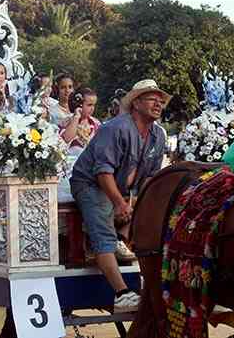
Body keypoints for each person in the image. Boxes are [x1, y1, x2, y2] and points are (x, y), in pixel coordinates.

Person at [69, 79, 170, 313]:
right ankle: (122, 294)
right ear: (136, 103)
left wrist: (138, 206)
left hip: (125, 190)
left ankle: (149, 282)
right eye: (151, 98)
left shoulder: (158, 135)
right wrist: (119, 204)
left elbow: (149, 178)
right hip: (91, 183)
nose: (158, 104)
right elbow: (103, 172)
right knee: (103, 224)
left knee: (153, 222)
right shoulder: (116, 128)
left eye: (160, 100)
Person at [58, 88, 101, 203]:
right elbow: (66, 139)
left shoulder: (96, 124)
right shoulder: (67, 122)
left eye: (94, 105)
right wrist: (76, 117)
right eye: (89, 105)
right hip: (72, 168)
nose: (92, 108)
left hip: (92, 167)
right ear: (79, 104)